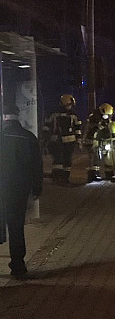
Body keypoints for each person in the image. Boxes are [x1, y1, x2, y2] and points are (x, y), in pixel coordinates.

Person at [1, 100, 43, 279]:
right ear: (17, 117)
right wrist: (37, 188)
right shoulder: (28, 137)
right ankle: (18, 266)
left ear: (4, 117)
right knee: (16, 226)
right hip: (19, 189)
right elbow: (37, 165)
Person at [42, 94, 81, 184]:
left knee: (67, 160)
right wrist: (46, 139)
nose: (70, 107)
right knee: (58, 159)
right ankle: (57, 177)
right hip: (57, 140)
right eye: (69, 105)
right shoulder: (55, 114)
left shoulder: (73, 115)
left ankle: (64, 178)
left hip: (69, 141)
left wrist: (79, 141)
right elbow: (47, 127)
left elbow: (77, 128)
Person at [89, 103, 115, 182]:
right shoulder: (95, 120)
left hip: (97, 140)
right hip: (92, 141)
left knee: (99, 158)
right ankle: (92, 175)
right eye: (108, 115)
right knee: (95, 158)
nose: (109, 117)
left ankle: (97, 174)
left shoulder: (102, 119)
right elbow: (96, 131)